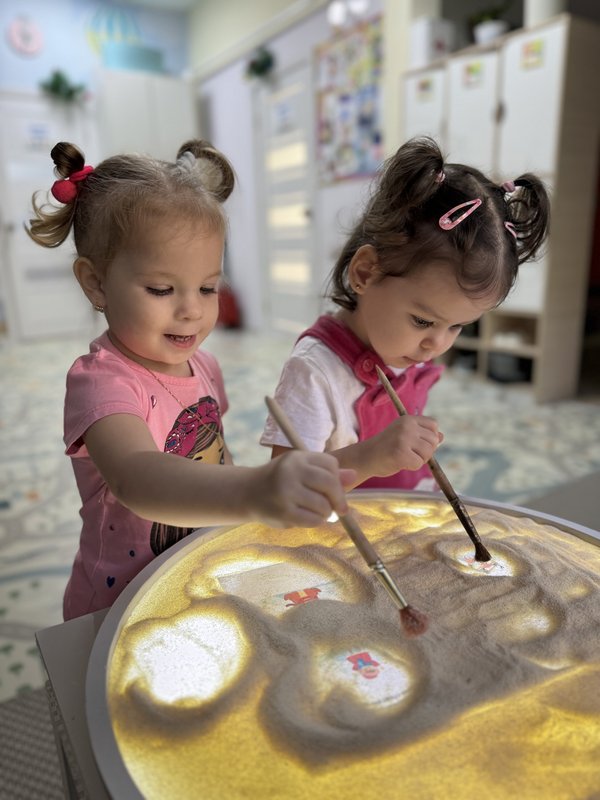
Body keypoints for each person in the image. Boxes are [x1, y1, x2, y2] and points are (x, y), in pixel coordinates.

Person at [26, 139, 355, 620]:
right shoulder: (100, 382)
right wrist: (254, 491)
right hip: (121, 604)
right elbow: (137, 477)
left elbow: (216, 458)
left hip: (192, 578)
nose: (192, 310)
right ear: (95, 283)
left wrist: (248, 511)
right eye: (162, 289)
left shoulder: (204, 366)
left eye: (208, 287)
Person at [261, 136, 549, 490]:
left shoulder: (404, 346)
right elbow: (283, 485)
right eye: (423, 321)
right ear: (365, 272)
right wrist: (370, 457)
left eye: (458, 326)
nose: (436, 344)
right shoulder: (314, 372)